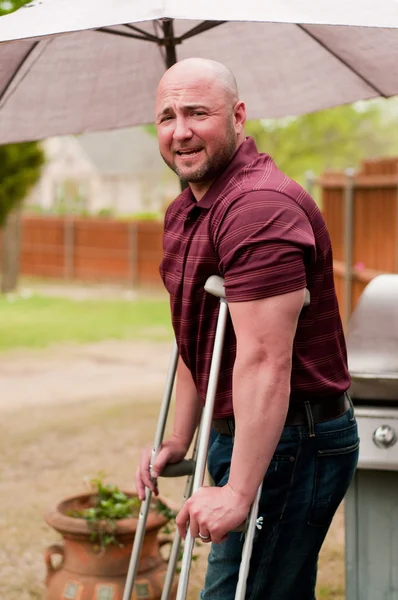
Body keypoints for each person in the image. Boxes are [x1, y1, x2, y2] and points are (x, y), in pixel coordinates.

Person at [136, 57, 359, 599]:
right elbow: (201, 337)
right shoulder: (188, 210)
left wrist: (238, 491)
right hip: (247, 433)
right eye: (166, 116)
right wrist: (177, 437)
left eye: (196, 113)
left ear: (238, 116)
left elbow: (265, 359)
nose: (180, 131)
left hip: (293, 440)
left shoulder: (259, 207)